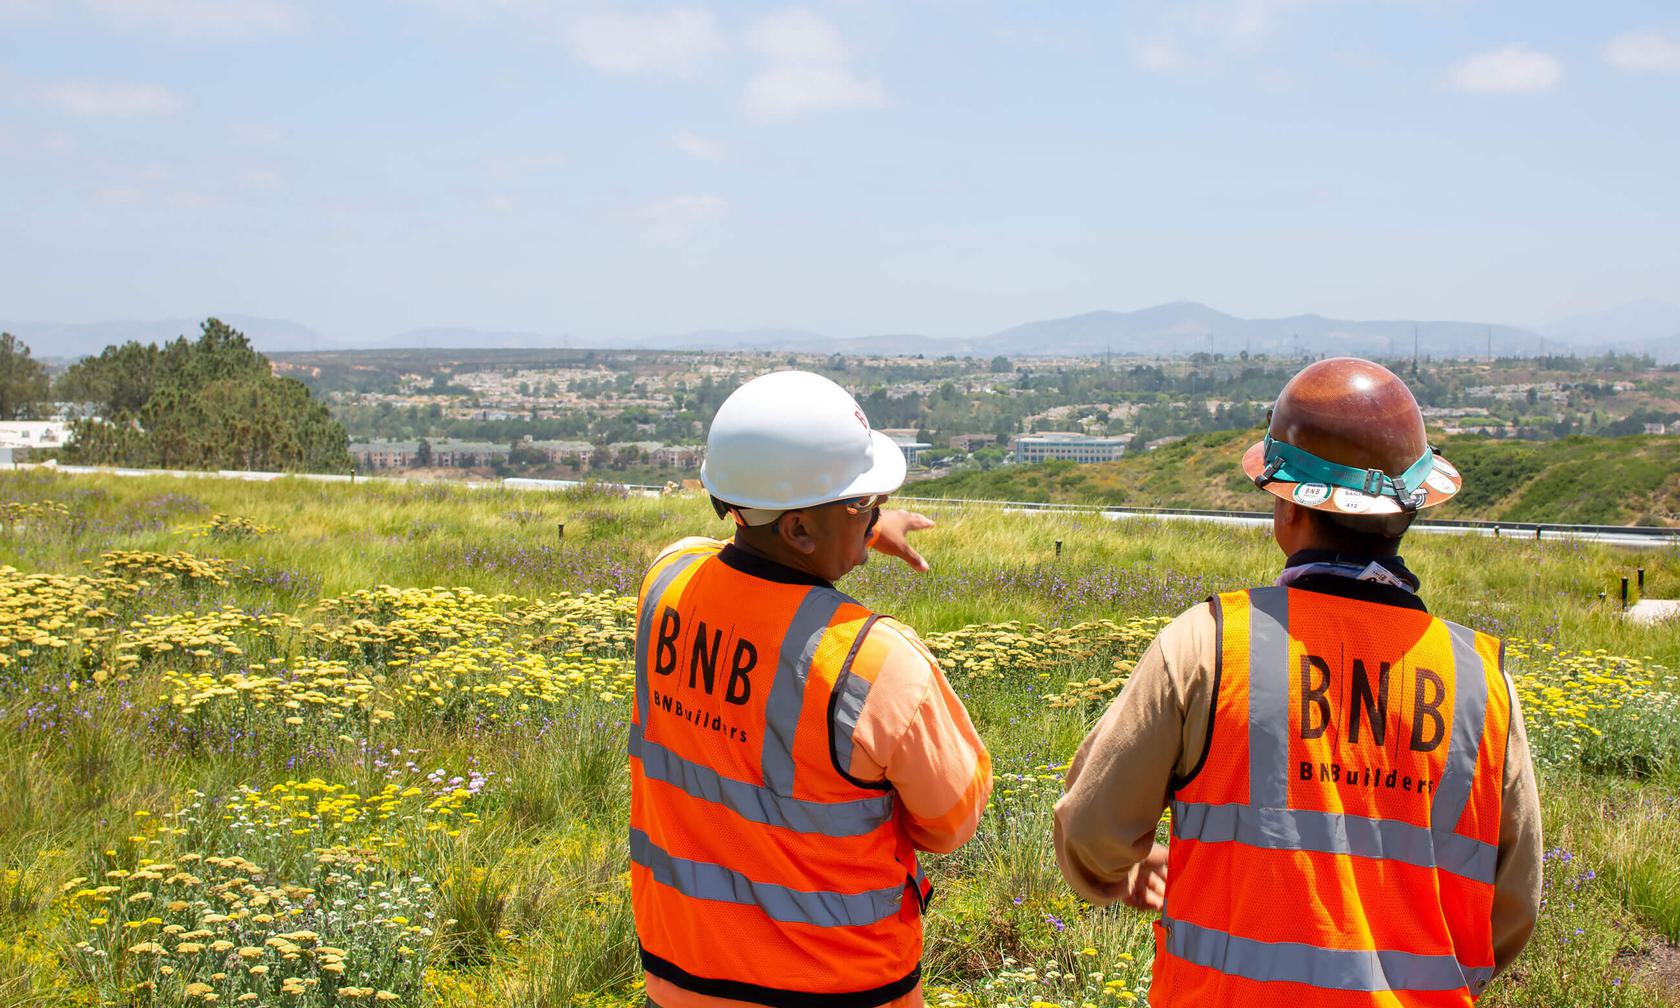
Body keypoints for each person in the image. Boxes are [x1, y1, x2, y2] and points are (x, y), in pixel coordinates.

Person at [1054, 357, 1542, 1006]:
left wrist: (1120, 874)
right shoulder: (1482, 684)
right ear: (1408, 512)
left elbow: (1091, 831)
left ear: (1289, 509)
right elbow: (1511, 908)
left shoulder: (1207, 648)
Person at [630, 370, 992, 1008]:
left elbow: (740, 548)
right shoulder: (877, 664)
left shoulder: (665, 583)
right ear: (799, 530)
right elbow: (951, 823)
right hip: (838, 988)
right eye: (862, 504)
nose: (873, 514)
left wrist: (854, 527)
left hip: (682, 976)